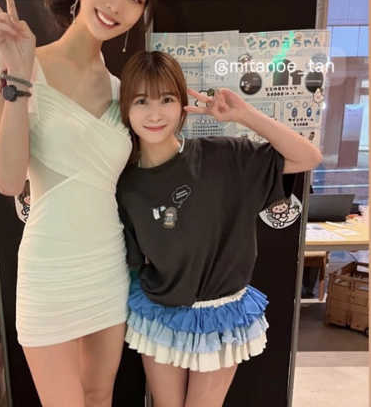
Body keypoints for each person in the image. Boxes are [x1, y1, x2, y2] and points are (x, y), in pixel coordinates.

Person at [0, 0, 160, 407]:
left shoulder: (123, 92)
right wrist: (20, 75)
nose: (116, 4)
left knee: (100, 396)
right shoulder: (16, 65)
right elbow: (8, 180)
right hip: (49, 268)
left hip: (106, 263)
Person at [116, 51, 322, 407]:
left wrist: (245, 115)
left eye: (166, 99)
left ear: (182, 105)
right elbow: (132, 260)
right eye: (141, 101)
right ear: (126, 109)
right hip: (160, 310)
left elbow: (308, 157)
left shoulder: (225, 157)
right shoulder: (126, 185)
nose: (154, 114)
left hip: (221, 312)